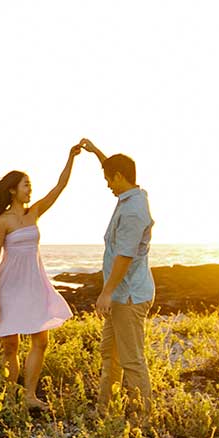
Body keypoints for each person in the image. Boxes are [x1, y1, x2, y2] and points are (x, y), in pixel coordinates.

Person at [0, 145, 80, 412]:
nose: (29, 189)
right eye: (25, 185)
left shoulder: (34, 212)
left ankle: (29, 395)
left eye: (30, 185)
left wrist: (70, 157)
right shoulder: (3, 222)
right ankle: (10, 398)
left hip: (34, 285)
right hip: (10, 288)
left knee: (40, 341)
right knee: (10, 347)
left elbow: (60, 186)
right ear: (12, 189)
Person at [79, 138, 154, 417]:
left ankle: (141, 419)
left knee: (131, 360)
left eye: (110, 179)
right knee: (110, 355)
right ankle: (104, 411)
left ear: (121, 177)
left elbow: (125, 256)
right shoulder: (131, 196)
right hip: (121, 294)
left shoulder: (133, 210)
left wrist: (106, 292)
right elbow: (114, 169)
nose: (108, 184)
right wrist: (97, 152)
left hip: (128, 295)